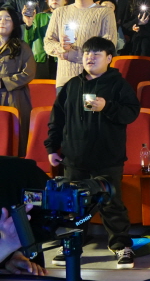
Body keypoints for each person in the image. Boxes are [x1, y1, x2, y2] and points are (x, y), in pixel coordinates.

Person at [45, 36, 139, 268]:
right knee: (73, 204)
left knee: (111, 204)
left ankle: (121, 246)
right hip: (75, 157)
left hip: (107, 157)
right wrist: (52, 147)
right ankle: (71, 246)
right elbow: (57, 119)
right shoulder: (72, 85)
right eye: (87, 53)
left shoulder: (118, 85)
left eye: (97, 53)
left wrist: (107, 106)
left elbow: (131, 113)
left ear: (109, 58)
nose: (90, 57)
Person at [43, 0, 117, 92]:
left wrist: (71, 54)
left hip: (94, 79)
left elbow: (108, 46)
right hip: (65, 79)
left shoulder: (105, 12)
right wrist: (61, 47)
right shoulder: (59, 12)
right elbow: (48, 42)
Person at [0, 6, 35, 155]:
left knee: (14, 137)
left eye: (7, 19)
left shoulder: (22, 47)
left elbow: (29, 73)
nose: (2, 22)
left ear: (14, 24)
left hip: (15, 97)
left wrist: (4, 82)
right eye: (0, 18)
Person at [24, 0, 67, 80]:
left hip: (62, 59)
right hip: (40, 61)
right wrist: (28, 24)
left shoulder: (70, 17)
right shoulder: (38, 17)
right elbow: (27, 41)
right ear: (47, 0)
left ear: (66, 0)